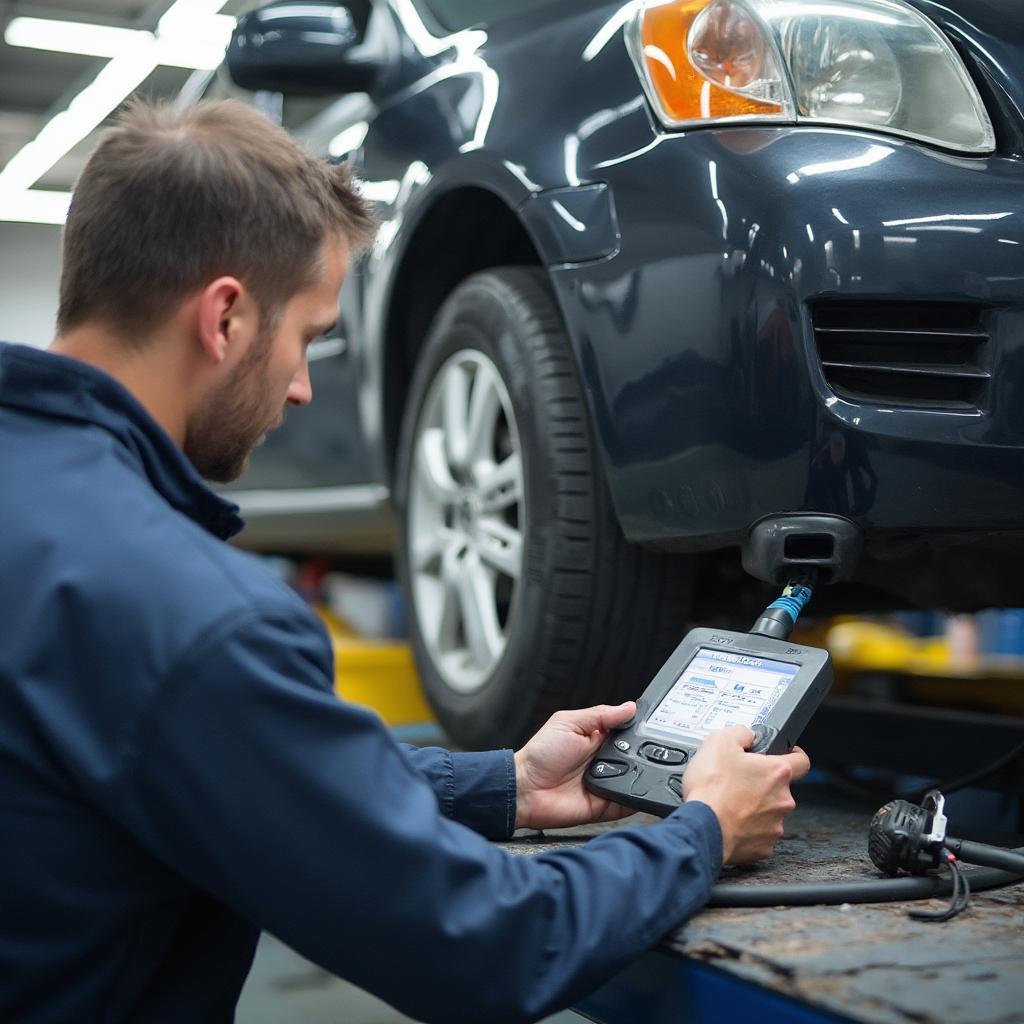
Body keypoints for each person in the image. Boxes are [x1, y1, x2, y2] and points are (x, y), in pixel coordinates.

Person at [0, 99, 810, 1023]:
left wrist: (505, 782)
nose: (303, 387)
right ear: (224, 318)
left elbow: (209, 748)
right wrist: (703, 830)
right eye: (306, 336)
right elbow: (484, 945)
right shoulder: (192, 614)